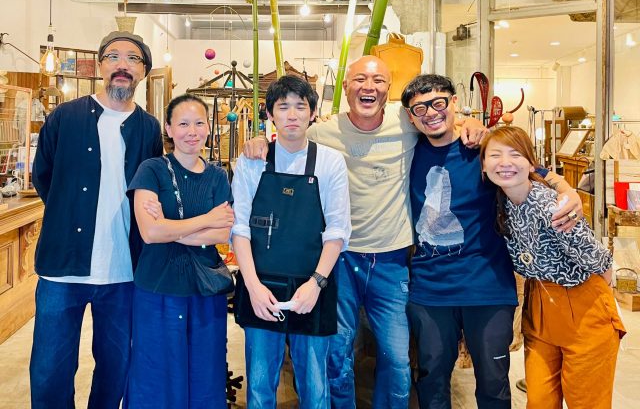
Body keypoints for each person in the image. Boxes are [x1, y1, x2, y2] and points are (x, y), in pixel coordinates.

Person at [243, 56, 502, 409]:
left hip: (391, 260)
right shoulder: (323, 131)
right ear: (345, 86)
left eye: (378, 80)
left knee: (396, 359)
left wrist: (471, 122)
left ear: (389, 89)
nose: (369, 87)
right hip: (340, 259)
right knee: (338, 354)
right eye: (360, 79)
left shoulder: (406, 120)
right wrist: (261, 139)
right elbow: (290, 133)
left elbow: (442, 119)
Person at [400, 74, 583, 409]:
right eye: (420, 108)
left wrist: (566, 188)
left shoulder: (481, 148)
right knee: (431, 380)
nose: (431, 113)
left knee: (493, 383)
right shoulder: (406, 153)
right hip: (429, 289)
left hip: (487, 286)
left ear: (454, 103)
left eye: (439, 102)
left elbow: (529, 167)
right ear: (411, 117)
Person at [30, 31, 162, 408]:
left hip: (123, 270)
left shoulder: (149, 128)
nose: (122, 65)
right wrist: (67, 213)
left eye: (133, 59)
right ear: (101, 66)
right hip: (62, 268)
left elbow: (151, 189)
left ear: (143, 72)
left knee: (115, 368)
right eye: (113, 56)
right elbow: (43, 176)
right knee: (50, 371)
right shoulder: (65, 117)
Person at [480, 125, 626, 409]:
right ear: (483, 166)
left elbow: (599, 261)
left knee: (586, 401)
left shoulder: (552, 205)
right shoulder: (500, 203)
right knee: (539, 400)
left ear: (530, 163)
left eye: (515, 155)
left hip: (582, 307)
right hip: (539, 304)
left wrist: (597, 301)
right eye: (495, 155)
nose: (505, 163)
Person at [232, 75, 351, 408]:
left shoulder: (329, 162)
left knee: (315, 389)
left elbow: (338, 231)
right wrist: (252, 287)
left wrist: (316, 284)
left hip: (311, 288)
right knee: (259, 388)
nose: (293, 115)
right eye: (283, 107)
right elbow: (239, 228)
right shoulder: (252, 161)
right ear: (270, 114)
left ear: (312, 113)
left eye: (301, 106)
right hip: (261, 288)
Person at [125, 93, 234, 408]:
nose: (192, 131)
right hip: (157, 287)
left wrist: (171, 229)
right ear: (169, 129)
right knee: (155, 372)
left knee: (205, 373)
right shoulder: (151, 170)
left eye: (199, 123)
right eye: (183, 124)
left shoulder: (217, 176)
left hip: (205, 290)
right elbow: (150, 232)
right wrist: (205, 221)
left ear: (209, 128)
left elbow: (224, 232)